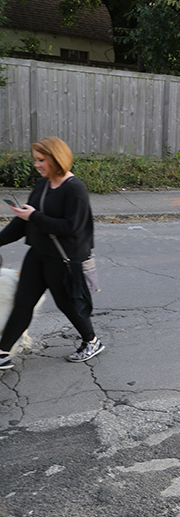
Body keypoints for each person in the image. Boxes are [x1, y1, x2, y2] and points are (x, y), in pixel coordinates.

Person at [0, 137, 103, 370]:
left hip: (64, 258)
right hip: (38, 254)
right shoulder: (42, 185)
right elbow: (25, 222)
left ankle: (92, 341)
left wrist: (34, 216)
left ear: (56, 159)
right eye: (36, 159)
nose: (37, 164)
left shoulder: (75, 189)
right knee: (23, 303)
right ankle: (2, 352)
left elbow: (71, 227)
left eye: (41, 160)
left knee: (67, 304)